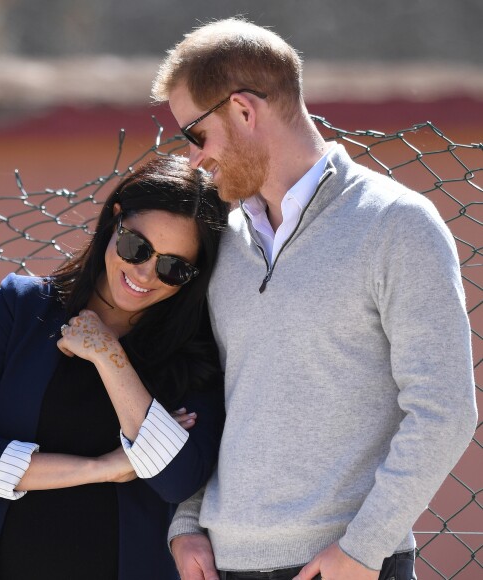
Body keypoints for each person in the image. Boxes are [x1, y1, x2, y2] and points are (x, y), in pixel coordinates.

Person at [151, 17, 478, 580]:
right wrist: (186, 524)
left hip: (344, 566)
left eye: (195, 135)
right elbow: (218, 399)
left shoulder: (397, 225)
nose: (194, 160)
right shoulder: (224, 242)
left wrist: (362, 549)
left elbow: (445, 411)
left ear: (244, 110)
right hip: (225, 565)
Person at [0, 155, 230, 580]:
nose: (145, 274)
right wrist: (101, 469)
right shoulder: (19, 308)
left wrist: (109, 356)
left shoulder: (195, 354)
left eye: (173, 267)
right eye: (137, 247)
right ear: (115, 219)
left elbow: (177, 478)